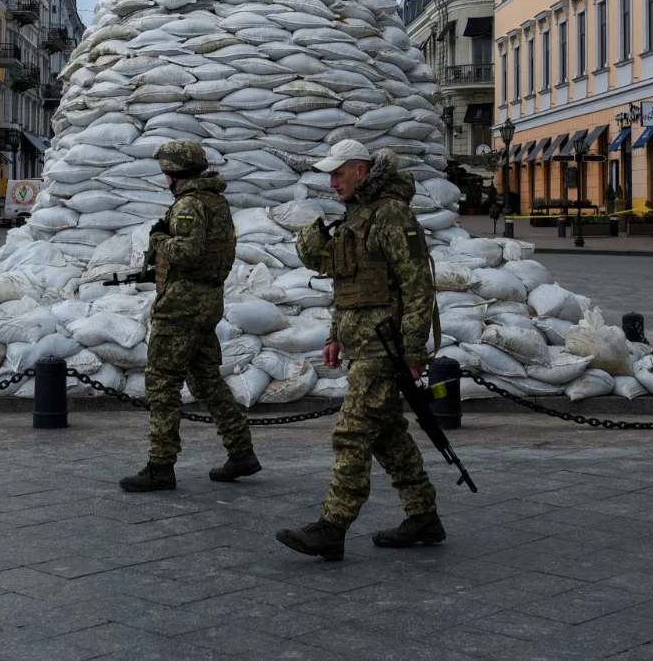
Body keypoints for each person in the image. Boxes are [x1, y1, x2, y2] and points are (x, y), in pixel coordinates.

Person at [276, 140, 442, 560]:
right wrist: (336, 335)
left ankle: (332, 526)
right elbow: (347, 285)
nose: (332, 183)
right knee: (387, 436)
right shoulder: (356, 217)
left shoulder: (391, 214)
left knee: (351, 434)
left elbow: (418, 285)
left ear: (361, 172)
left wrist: (412, 350)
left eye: (338, 174)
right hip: (362, 343)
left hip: (384, 349)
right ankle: (423, 515)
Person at [120, 139, 260, 492]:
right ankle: (241, 451)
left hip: (181, 307)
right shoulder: (216, 201)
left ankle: (160, 466)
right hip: (206, 302)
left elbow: (189, 250)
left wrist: (157, 241)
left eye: (165, 171)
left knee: (162, 383)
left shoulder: (189, 204)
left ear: (174, 173)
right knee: (205, 380)